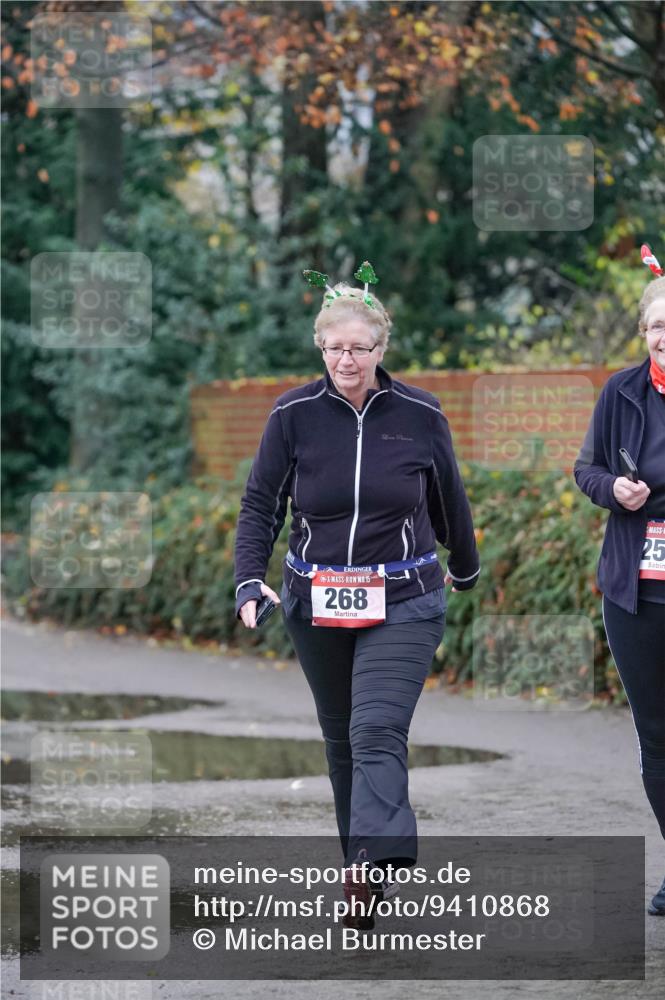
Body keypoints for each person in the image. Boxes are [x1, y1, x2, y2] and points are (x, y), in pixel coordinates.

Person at [234, 261, 480, 928]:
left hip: (403, 598)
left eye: (359, 348)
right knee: (341, 738)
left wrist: (464, 566)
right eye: (334, 348)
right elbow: (260, 505)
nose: (346, 360)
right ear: (320, 347)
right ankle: (361, 867)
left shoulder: (420, 414)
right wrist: (248, 578)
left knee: (375, 728)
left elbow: (448, 499)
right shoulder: (292, 415)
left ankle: (376, 855)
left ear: (381, 349)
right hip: (315, 599)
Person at [574, 250, 665, 917]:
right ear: (643, 332)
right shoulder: (620, 392)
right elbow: (586, 468)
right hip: (636, 594)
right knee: (656, 735)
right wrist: (614, 490)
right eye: (657, 326)